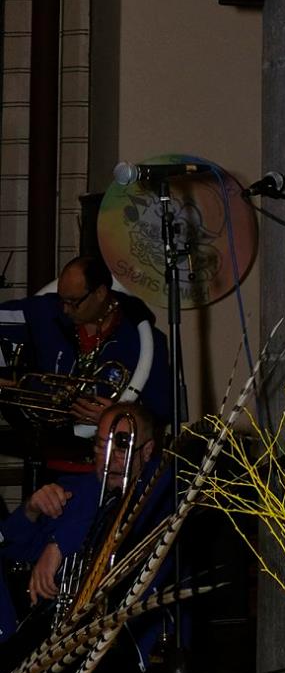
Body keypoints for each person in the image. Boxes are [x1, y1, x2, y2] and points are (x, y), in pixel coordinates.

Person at [0, 406, 170, 640]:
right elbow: (11, 549)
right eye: (101, 446)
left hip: (136, 638)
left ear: (148, 450)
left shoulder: (164, 488)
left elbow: (128, 510)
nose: (110, 458)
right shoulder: (73, 491)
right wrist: (31, 510)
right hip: (64, 642)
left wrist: (59, 544)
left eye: (122, 447)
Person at [0, 254, 172, 461]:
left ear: (100, 293)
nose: (65, 309)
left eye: (74, 302)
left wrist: (117, 416)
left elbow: (160, 411)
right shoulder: (46, 311)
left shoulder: (144, 341)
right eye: (62, 300)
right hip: (48, 451)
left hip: (109, 459)